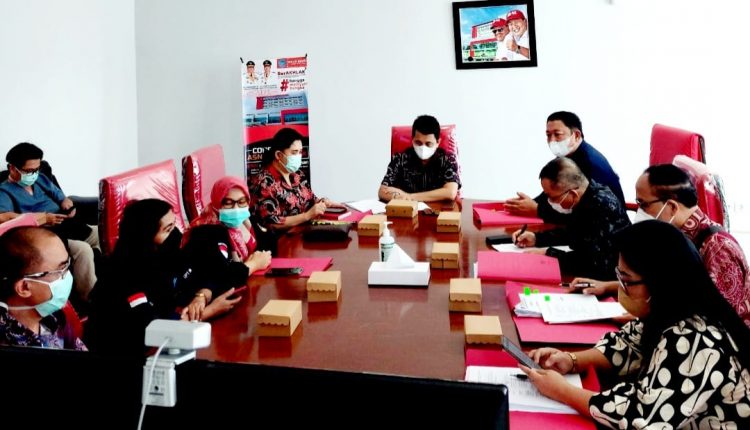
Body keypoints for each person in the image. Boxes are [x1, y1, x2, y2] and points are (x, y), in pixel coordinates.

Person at [521, 221, 750, 428]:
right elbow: (629, 345)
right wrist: (571, 360)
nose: (621, 288)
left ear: (660, 283)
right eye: (619, 276)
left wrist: (562, 391)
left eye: (626, 280)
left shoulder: (696, 338)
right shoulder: (672, 310)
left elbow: (640, 418)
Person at [573, 164, 750, 326]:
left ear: (672, 207)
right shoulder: (675, 239)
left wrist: (643, 317)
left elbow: (718, 321)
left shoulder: (719, 249)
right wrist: (607, 286)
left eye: (644, 205)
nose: (640, 212)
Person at [86, 199, 249, 356]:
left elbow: (216, 272)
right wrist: (209, 312)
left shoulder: (160, 259)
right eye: (168, 229)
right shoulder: (123, 273)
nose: (176, 234)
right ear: (146, 236)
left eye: (174, 225)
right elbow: (149, 330)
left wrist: (203, 294)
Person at [0, 142, 98, 304]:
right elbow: (6, 218)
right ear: (12, 168)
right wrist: (42, 218)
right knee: (83, 250)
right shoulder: (4, 191)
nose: (34, 174)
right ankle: (89, 299)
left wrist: (68, 205)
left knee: (102, 233)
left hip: (68, 224)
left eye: (37, 169)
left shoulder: (40, 179)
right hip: (47, 235)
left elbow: (60, 196)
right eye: (29, 171)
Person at [512, 157, 630, 279]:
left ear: (573, 194)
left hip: (613, 278)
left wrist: (549, 254)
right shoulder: (585, 195)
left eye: (552, 197)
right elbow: (573, 233)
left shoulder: (601, 205)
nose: (549, 202)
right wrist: (536, 238)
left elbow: (593, 262)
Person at [505, 111, 625, 224]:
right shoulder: (566, 156)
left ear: (576, 135)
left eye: (557, 134)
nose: (552, 140)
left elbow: (583, 212)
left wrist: (538, 209)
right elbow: (553, 191)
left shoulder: (590, 163)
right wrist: (526, 204)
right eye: (548, 135)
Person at [183, 176, 272, 320]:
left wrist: (254, 259)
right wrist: (253, 264)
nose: (236, 209)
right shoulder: (205, 231)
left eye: (241, 202)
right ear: (217, 203)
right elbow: (221, 276)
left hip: (244, 292)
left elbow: (268, 242)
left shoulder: (244, 221)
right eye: (228, 203)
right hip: (216, 305)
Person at [0, 226, 86, 350]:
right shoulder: (9, 345)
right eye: (60, 270)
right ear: (24, 287)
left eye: (67, 265)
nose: (68, 275)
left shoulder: (53, 315)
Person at [250, 128, 344, 230]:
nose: (298, 156)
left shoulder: (297, 174)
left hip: (306, 232)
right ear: (278, 155)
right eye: (294, 152)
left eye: (300, 152)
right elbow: (272, 222)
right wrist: (307, 216)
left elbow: (311, 199)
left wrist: (323, 202)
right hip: (282, 238)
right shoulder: (264, 182)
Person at [378, 115, 461, 202]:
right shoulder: (400, 159)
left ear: (438, 142)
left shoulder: (448, 159)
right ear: (412, 140)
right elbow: (382, 191)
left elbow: (450, 192)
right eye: (418, 143)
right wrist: (405, 197)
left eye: (428, 144)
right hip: (408, 208)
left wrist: (409, 197)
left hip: (437, 209)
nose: (423, 148)